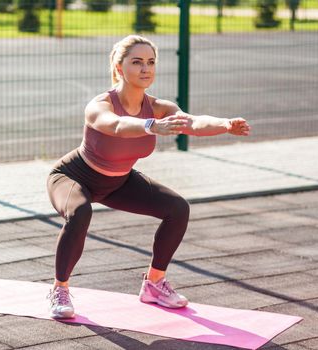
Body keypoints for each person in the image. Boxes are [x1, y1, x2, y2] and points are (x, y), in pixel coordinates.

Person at [46, 35, 250, 319]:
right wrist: (151, 126)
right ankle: (60, 289)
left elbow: (192, 122)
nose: (146, 69)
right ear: (119, 68)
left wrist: (226, 124)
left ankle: (154, 284)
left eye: (151, 62)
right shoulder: (100, 104)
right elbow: (116, 125)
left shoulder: (159, 107)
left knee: (177, 208)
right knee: (80, 212)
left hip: (118, 182)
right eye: (137, 62)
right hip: (74, 176)